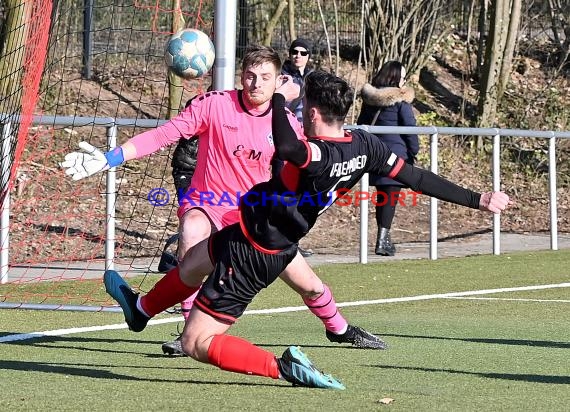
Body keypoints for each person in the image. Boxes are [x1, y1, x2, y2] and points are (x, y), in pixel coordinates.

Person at [102, 70, 512, 389]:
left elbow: (287, 147)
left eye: (304, 111)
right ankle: (140, 312)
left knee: (196, 343)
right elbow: (417, 178)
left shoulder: (315, 155)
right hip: (259, 234)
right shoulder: (364, 145)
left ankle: (283, 368)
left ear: (312, 113)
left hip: (254, 252)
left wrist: (281, 99)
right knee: (193, 261)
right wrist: (478, 199)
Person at [60, 45, 386, 357]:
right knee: (190, 235)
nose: (255, 83)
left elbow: (315, 160)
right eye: (249, 75)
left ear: (279, 81)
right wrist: (111, 158)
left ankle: (339, 328)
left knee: (309, 285)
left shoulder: (285, 121)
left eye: (264, 77)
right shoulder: (214, 104)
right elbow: (163, 135)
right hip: (206, 202)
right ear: (241, 76)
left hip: (252, 219)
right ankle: (187, 329)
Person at [357, 61, 419, 256]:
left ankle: (384, 238)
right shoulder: (400, 102)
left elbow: (361, 125)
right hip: (396, 156)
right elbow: (410, 131)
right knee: (389, 197)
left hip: (375, 155)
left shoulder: (370, 101)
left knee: (383, 198)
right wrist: (413, 152)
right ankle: (383, 239)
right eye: (402, 76)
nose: (404, 80)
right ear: (395, 78)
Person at [281, 38, 314, 258]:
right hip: (284, 140)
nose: (298, 55)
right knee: (282, 190)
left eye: (303, 52)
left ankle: (293, 240)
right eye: (295, 51)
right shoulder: (281, 76)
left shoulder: (313, 77)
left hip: (305, 142)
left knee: (299, 193)